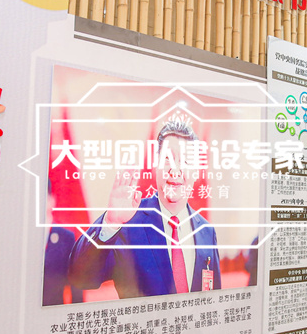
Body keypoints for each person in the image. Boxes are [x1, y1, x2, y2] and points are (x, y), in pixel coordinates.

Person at [68, 120, 222, 299]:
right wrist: (111, 223)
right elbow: (82, 279)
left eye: (186, 161)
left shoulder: (206, 231)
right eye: (167, 159)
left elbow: (214, 297)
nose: (175, 170)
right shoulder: (129, 221)